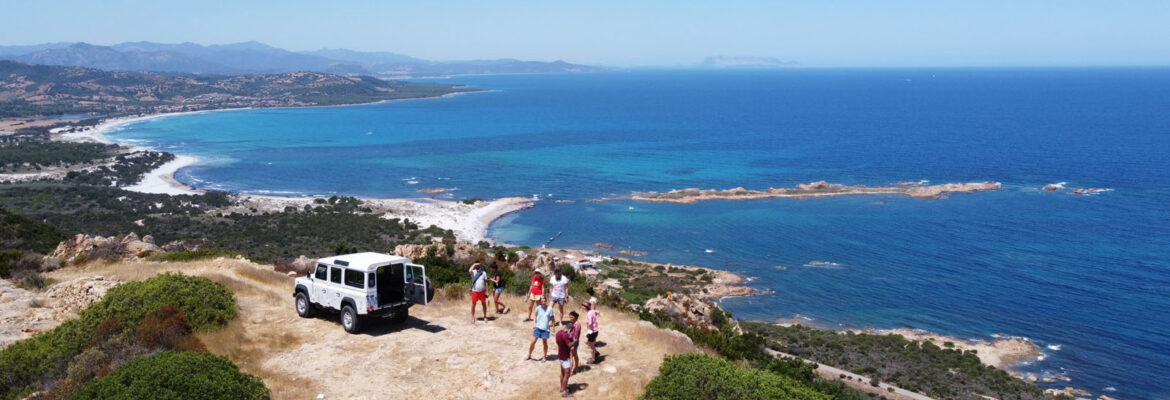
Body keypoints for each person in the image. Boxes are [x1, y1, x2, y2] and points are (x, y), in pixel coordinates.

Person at [527, 296, 555, 362]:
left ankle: (544, 357)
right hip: (538, 327)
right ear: (540, 302)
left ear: (546, 301)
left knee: (544, 343)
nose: (543, 302)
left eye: (544, 301)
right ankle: (529, 354)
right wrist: (534, 324)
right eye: (542, 301)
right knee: (533, 342)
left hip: (545, 329)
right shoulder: (538, 308)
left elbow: (552, 318)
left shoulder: (550, 309)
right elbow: (535, 316)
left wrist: (553, 327)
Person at [555, 324, 573, 397]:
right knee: (567, 373)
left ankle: (562, 387)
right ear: (569, 329)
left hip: (560, 355)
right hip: (565, 356)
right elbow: (569, 345)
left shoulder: (558, 332)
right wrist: (574, 341)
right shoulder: (565, 335)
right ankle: (565, 392)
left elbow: (557, 342)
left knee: (562, 372)